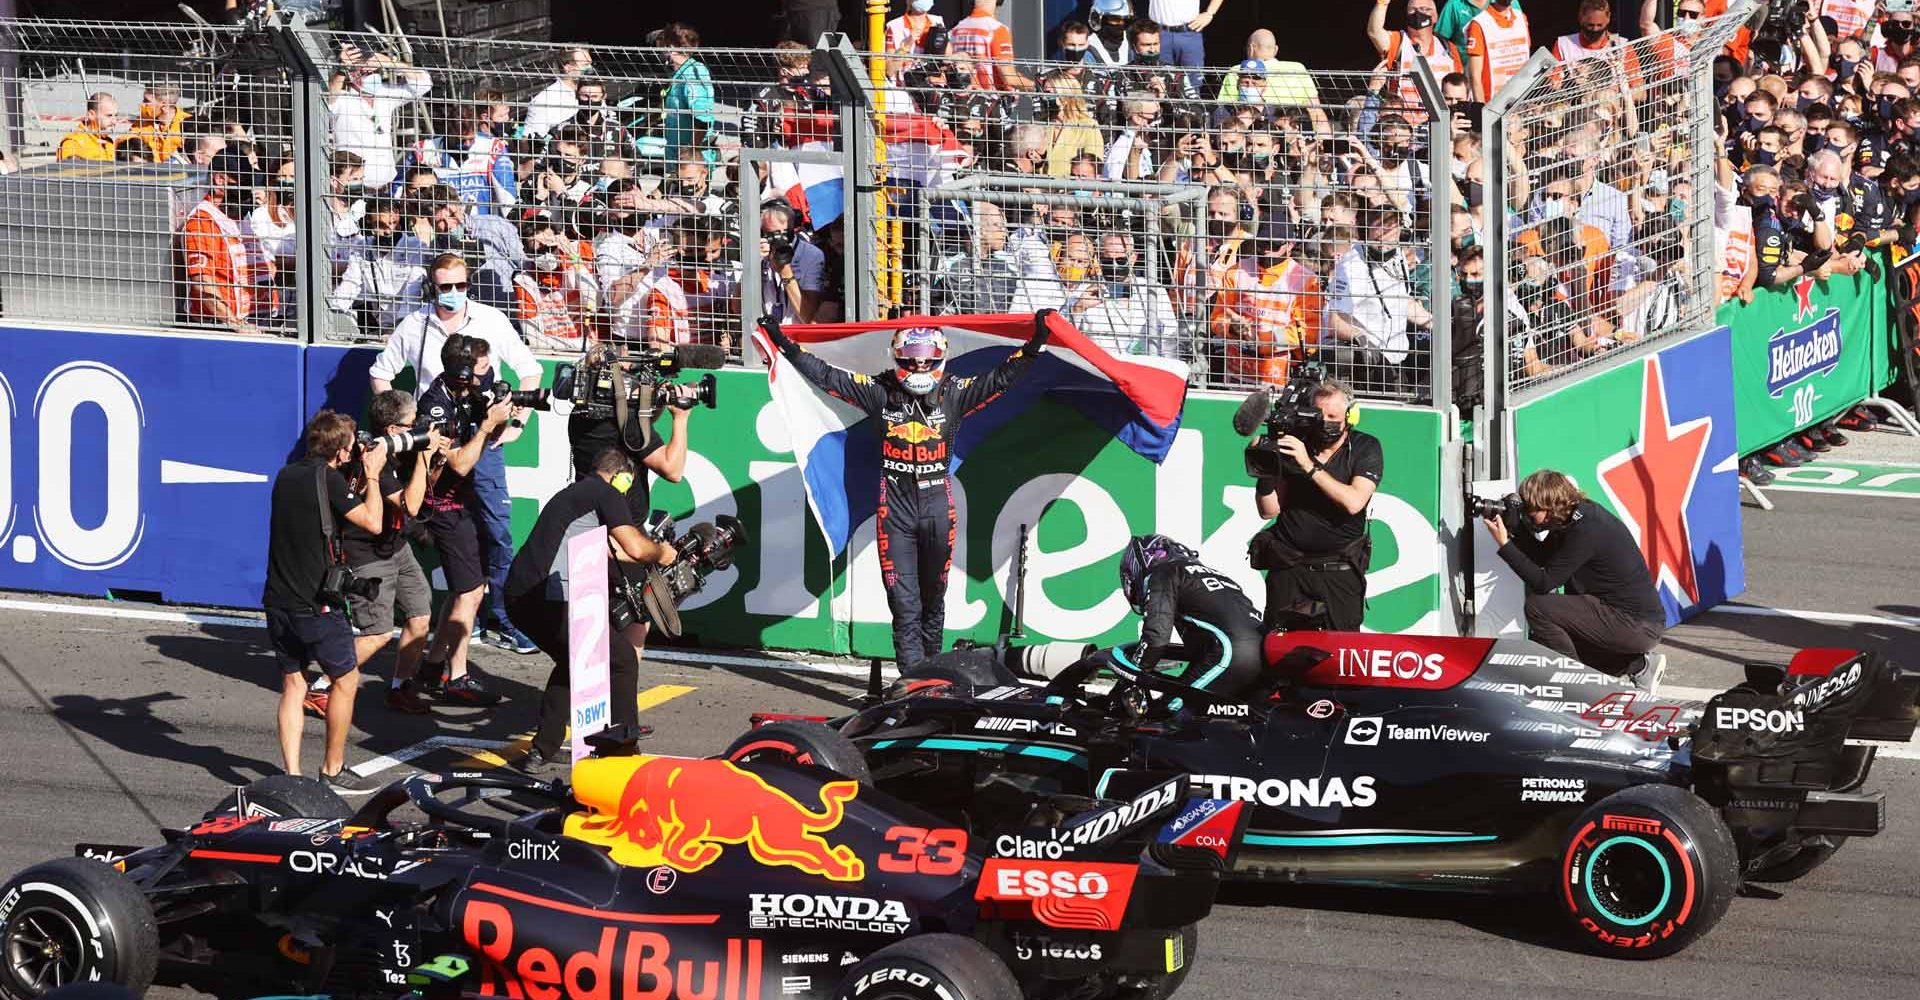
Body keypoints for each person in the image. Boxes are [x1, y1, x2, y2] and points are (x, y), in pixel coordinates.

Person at [759, 313, 1051, 665]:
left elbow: (1002, 378)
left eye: (928, 360)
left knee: (934, 599)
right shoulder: (880, 392)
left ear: (940, 358)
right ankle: (913, 680)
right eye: (912, 361)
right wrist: (784, 343)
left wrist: (1035, 343)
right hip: (894, 512)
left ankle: (934, 674)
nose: (920, 367)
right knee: (904, 602)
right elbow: (826, 375)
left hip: (938, 509)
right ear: (897, 358)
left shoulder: (955, 393)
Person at [369, 254, 544, 654]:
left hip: (482, 442)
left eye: (461, 286)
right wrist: (406, 428)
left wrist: (517, 424)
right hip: (434, 449)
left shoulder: (492, 321)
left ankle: (501, 617)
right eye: (445, 286)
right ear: (431, 286)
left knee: (496, 531)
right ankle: (456, 615)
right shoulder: (414, 325)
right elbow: (380, 374)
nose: (453, 294)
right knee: (435, 529)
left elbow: (529, 372)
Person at [505, 449, 679, 775]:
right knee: (623, 659)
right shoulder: (606, 492)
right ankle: (625, 751)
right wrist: (663, 553)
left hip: (522, 596)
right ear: (622, 478)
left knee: (574, 662)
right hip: (550, 598)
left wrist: (648, 554)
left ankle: (542, 750)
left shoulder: (576, 494)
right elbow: (637, 548)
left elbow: (611, 552)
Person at [261, 410, 386, 792]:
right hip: (316, 604)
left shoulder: (286, 475)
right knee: (346, 680)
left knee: (294, 685)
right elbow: (374, 522)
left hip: (278, 599)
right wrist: (375, 474)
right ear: (343, 450)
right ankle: (332, 769)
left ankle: (292, 776)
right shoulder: (329, 478)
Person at [411, 335, 522, 703]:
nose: (485, 377)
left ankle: (432, 665)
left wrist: (502, 415)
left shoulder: (462, 395)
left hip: (459, 504)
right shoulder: (436, 407)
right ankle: (455, 676)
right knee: (471, 591)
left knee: (466, 588)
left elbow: (487, 433)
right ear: (461, 372)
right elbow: (458, 464)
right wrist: (489, 425)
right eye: (481, 370)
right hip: (442, 506)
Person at [1483, 469, 1665, 682]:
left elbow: (1544, 582)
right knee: (1543, 643)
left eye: (1531, 511)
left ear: (1549, 506)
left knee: (1538, 608)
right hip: (1631, 622)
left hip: (1635, 625)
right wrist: (1517, 529)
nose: (1528, 515)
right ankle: (1640, 667)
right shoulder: (1573, 518)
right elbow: (1543, 558)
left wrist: (1505, 544)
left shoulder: (1587, 530)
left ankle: (1574, 681)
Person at [342, 391, 448, 715]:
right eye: (412, 423)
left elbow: (424, 487)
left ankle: (400, 688)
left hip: (397, 546)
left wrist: (436, 461)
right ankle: (320, 686)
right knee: (377, 633)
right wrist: (426, 457)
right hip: (368, 554)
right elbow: (411, 505)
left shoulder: (404, 450)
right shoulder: (375, 457)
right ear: (392, 430)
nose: (419, 427)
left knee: (419, 616)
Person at [1250, 378, 1381, 631]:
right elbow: (1268, 510)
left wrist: (1308, 466)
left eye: (1333, 416)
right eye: (1319, 414)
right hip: (1289, 566)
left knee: (1340, 651)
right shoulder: (1295, 442)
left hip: (1339, 570)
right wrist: (1266, 468)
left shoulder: (1366, 447)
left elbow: (1354, 502)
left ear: (1351, 417)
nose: (1325, 422)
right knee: (1279, 650)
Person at [1114, 534, 1266, 702]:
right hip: (1263, 656)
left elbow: (1156, 638)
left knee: (1168, 715)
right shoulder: (1219, 575)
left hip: (1230, 654)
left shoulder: (1164, 573)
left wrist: (1130, 675)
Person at [179, 151, 272, 336]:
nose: (249, 190)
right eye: (244, 183)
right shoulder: (202, 222)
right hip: (222, 329)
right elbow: (203, 285)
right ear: (220, 180)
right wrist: (237, 326)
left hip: (256, 320)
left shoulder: (240, 215)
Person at [326, 44, 432, 191]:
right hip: (354, 187)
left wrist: (389, 62)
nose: (369, 72)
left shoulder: (384, 94)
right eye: (363, 70)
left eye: (373, 69)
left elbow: (424, 84)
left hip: (386, 187)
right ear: (352, 73)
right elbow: (327, 99)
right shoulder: (343, 99)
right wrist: (342, 69)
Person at [1369, 0, 1464, 122]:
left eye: (1425, 9)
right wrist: (1382, 3)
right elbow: (1374, 32)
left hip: (1440, 125)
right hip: (1402, 127)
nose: (1418, 13)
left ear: (1435, 17)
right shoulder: (1398, 42)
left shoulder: (1448, 48)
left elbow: (1460, 87)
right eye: (1413, 10)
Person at [951, 1, 1034, 92]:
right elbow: (1009, 78)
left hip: (965, 97)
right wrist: (1040, 87)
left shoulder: (957, 29)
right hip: (990, 100)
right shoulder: (996, 29)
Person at [1464, 0, 1533, 101]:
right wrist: (1482, 112)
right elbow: (1474, 76)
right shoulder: (1479, 24)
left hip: (1521, 101)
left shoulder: (1521, 18)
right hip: (1492, 104)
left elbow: (1527, 57)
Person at [524, 48, 594, 138]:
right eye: (585, 65)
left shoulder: (594, 91)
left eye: (590, 64)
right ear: (568, 68)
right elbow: (530, 138)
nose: (591, 69)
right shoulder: (545, 100)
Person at [1146, 0, 1227, 70]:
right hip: (1157, 34)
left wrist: (1209, 13)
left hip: (1189, 32)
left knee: (1192, 82)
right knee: (1156, 79)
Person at [57, 92, 120, 162]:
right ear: (91, 115)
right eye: (109, 116)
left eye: (116, 116)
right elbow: (69, 168)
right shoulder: (74, 142)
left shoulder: (109, 142)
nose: (114, 121)